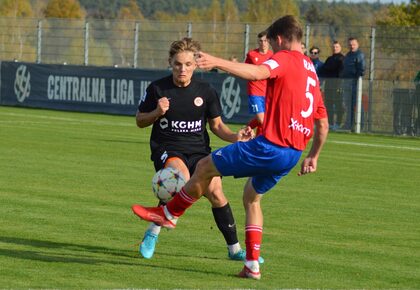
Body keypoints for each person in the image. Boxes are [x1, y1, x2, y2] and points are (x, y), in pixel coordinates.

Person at [131, 15, 329, 280]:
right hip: (293, 154)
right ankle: (251, 265)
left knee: (204, 167)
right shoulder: (311, 71)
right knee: (251, 197)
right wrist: (313, 156)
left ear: (279, 39)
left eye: (271, 43)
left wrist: (217, 62)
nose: (269, 48)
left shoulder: (285, 58)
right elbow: (323, 123)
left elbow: (258, 72)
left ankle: (169, 214)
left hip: (271, 146)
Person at [135, 37, 258, 262]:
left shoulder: (206, 91)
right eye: (178, 64)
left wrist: (236, 137)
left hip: (199, 151)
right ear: (170, 63)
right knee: (179, 179)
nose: (183, 69)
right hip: (167, 148)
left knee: (216, 192)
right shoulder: (157, 88)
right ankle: (152, 234)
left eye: (188, 64)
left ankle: (234, 250)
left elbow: (217, 126)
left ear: (195, 65)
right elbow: (140, 120)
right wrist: (156, 113)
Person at [244, 30, 273, 136]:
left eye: (265, 40)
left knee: (265, 120)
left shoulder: (273, 55)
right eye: (261, 41)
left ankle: (247, 130)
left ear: (269, 41)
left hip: (268, 92)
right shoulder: (252, 54)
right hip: (255, 91)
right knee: (261, 120)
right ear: (258, 42)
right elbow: (245, 68)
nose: (263, 43)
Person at [340, 37, 366, 130]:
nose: (352, 46)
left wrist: (356, 80)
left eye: (353, 44)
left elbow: (361, 69)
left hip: (354, 83)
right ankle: (348, 124)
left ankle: (360, 125)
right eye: (350, 44)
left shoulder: (359, 55)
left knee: (357, 104)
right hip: (346, 83)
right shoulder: (348, 55)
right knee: (348, 104)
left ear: (357, 44)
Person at [319, 40, 345, 130]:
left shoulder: (342, 59)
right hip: (328, 84)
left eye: (337, 47)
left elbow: (339, 71)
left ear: (340, 48)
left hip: (338, 84)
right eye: (333, 47)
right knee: (328, 104)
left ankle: (338, 123)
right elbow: (324, 70)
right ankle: (330, 123)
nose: (335, 48)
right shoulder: (329, 59)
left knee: (338, 104)